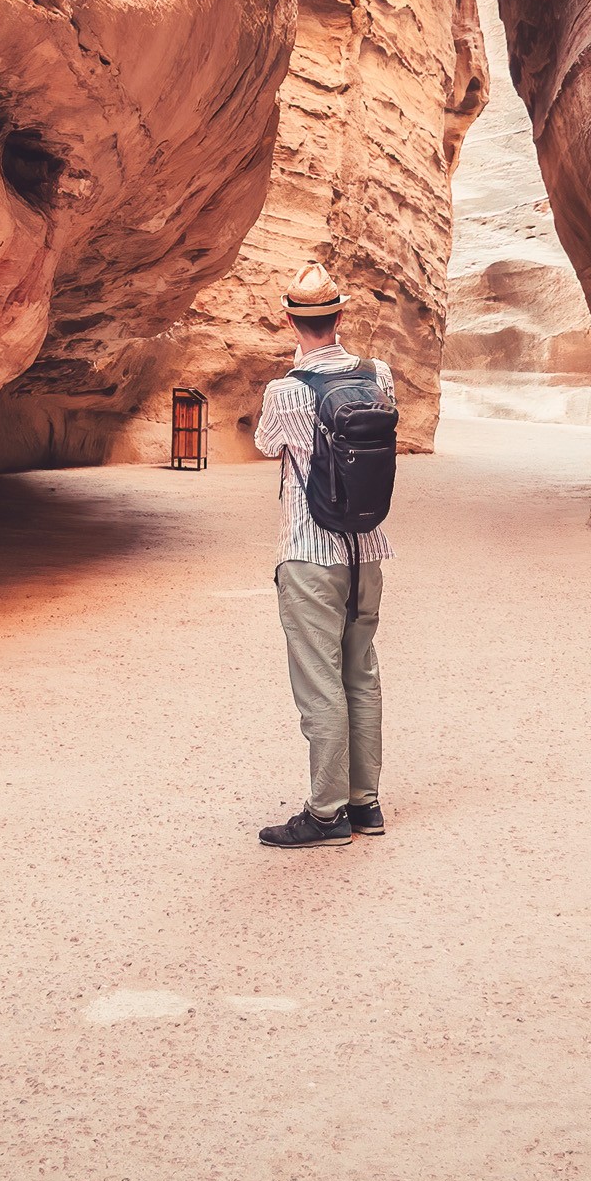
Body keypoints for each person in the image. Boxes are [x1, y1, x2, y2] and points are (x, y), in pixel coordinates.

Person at [252, 262, 394, 849]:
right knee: (359, 672)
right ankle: (366, 804)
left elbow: (265, 445)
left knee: (320, 682)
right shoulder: (378, 373)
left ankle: (327, 814)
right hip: (367, 549)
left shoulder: (286, 390)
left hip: (310, 553)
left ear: (291, 319)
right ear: (340, 317)